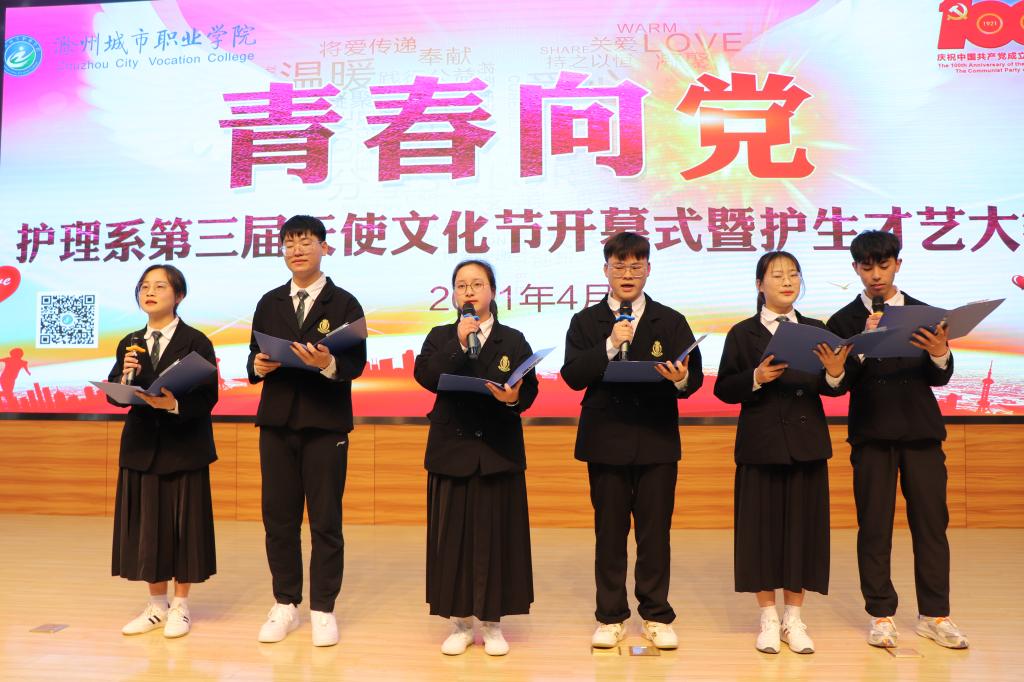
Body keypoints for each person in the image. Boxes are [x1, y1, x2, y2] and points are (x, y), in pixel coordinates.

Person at [560, 232, 704, 650]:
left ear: (648, 270)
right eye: (619, 265)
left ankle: (656, 615)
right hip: (605, 439)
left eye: (636, 266)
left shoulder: (670, 320)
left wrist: (681, 379)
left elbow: (693, 378)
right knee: (609, 533)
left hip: (656, 439)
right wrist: (610, 344)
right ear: (605, 270)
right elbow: (572, 376)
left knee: (655, 533)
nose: (627, 273)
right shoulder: (586, 321)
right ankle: (610, 617)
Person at [826, 230, 969, 650]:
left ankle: (935, 614)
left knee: (931, 524)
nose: (876, 275)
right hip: (871, 435)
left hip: (921, 433)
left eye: (884, 266)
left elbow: (939, 377)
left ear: (898, 266)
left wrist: (940, 350)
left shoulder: (925, 314)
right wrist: (863, 346)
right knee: (874, 526)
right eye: (867, 267)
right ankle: (881, 614)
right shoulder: (843, 322)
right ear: (855, 269)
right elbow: (836, 386)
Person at [714, 251, 850, 654]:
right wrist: (756, 377)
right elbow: (724, 389)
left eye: (793, 274)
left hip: (806, 445)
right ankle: (768, 618)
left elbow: (834, 387)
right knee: (761, 533)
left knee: (802, 533)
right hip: (761, 444)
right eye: (777, 275)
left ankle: (794, 618)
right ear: (760, 285)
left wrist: (835, 372)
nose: (787, 281)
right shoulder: (743, 333)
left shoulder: (816, 330)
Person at [246, 215, 367, 647]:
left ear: (324, 247)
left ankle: (323, 609)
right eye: (290, 243)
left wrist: (327, 363)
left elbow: (355, 363)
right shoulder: (270, 302)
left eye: (306, 242)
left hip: (325, 423)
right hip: (277, 423)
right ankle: (285, 603)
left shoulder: (345, 303)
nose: (297, 250)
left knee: (325, 520)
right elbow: (253, 356)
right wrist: (257, 366)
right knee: (278, 519)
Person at [413, 260, 539, 656]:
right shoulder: (440, 336)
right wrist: (458, 341)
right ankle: (461, 623)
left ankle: (493, 623)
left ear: (492, 292)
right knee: (453, 539)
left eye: (477, 284)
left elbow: (530, 389)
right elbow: (427, 376)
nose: (469, 291)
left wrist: (514, 397)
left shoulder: (512, 339)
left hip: (498, 451)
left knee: (497, 537)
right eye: (462, 285)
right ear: (453, 294)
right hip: (452, 450)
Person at [107, 264, 218, 638]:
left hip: (184, 446)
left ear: (179, 295)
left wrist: (173, 404)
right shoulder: (130, 342)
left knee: (184, 528)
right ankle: (156, 605)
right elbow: (117, 393)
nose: (149, 292)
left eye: (159, 286)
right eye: (144, 287)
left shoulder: (196, 341)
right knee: (147, 529)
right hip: (141, 446)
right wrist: (123, 379)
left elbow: (208, 396)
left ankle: (181, 607)